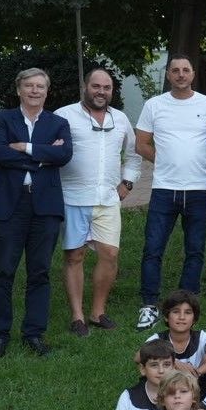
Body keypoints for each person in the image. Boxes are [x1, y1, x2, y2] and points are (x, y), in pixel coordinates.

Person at [0, 67, 73, 357]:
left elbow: (64, 155)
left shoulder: (58, 123)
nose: (35, 91)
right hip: (9, 205)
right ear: (19, 89)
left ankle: (33, 334)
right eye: (29, 86)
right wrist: (42, 156)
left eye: (40, 87)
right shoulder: (1, 119)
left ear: (47, 92)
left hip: (44, 207)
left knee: (40, 272)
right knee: (4, 271)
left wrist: (24, 147)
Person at [134, 54, 206, 331]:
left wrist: (199, 159)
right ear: (168, 75)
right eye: (175, 70)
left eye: (186, 70)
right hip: (164, 189)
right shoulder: (154, 105)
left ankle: (187, 303)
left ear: (193, 74)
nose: (181, 74)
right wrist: (167, 161)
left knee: (195, 250)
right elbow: (141, 143)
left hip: (199, 189)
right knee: (153, 248)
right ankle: (149, 305)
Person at [55, 67, 138, 337]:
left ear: (112, 91)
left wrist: (127, 182)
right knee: (74, 255)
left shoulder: (121, 119)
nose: (101, 92)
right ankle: (77, 316)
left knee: (110, 255)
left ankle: (98, 312)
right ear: (85, 87)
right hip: (72, 196)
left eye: (106, 88)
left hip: (107, 199)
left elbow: (134, 154)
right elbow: (50, 152)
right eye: (96, 86)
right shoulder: (64, 116)